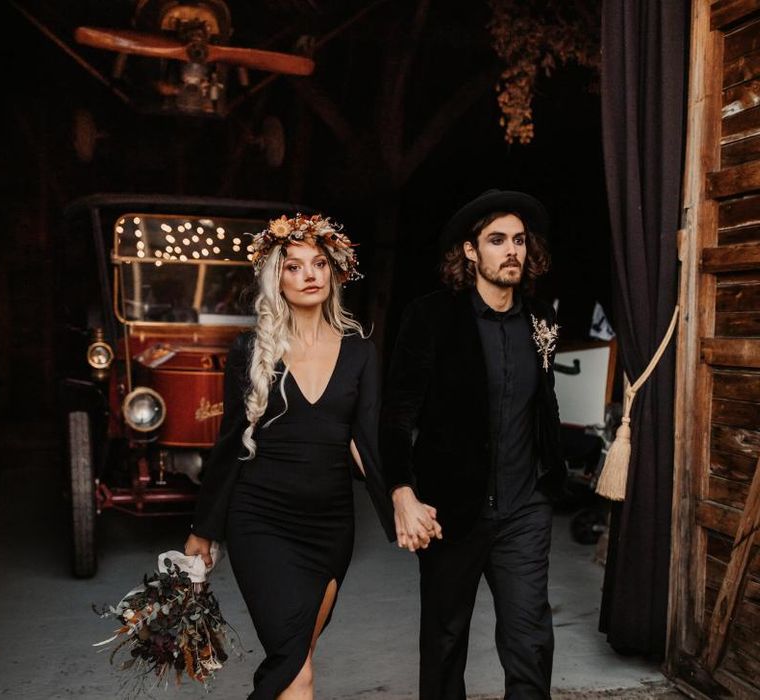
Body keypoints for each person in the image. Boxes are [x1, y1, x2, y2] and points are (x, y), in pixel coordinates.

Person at [184, 212, 395, 699]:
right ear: (275, 278)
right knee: (295, 670)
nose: (310, 275)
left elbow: (366, 443)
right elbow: (231, 442)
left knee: (296, 661)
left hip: (330, 528)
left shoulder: (361, 353)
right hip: (261, 522)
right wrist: (203, 530)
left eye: (319, 263)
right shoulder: (250, 350)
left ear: (334, 272)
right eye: (294, 266)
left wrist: (402, 503)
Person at [380, 189, 566, 699]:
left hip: (525, 511)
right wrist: (401, 490)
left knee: (530, 641)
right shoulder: (431, 317)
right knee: (444, 644)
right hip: (451, 511)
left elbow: (542, 407)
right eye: (497, 239)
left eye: (520, 240)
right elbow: (397, 415)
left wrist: (553, 479)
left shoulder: (541, 320)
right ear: (470, 251)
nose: (512, 251)